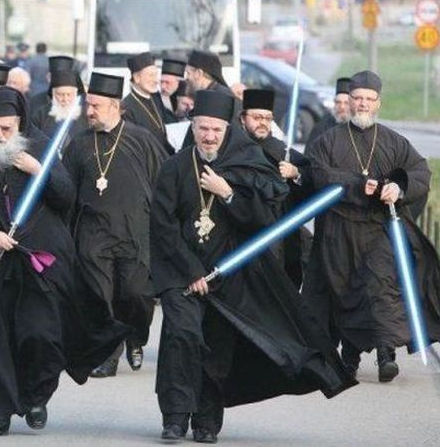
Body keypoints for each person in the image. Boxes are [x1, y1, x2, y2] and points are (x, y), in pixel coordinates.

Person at [151, 89, 356, 444]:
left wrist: (228, 193)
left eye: (216, 129)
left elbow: (263, 221)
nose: (209, 136)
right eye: (203, 128)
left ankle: (206, 421)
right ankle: (175, 417)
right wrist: (191, 271)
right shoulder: (174, 168)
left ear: (227, 129)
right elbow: (162, 225)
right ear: (193, 126)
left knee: (217, 348)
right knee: (181, 337)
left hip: (229, 277)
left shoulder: (246, 165)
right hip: (182, 275)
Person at [0, 86, 127, 437]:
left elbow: (66, 198)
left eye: (6, 128)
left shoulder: (41, 149)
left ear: (19, 123)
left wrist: (39, 171)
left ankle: (35, 397)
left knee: (41, 336)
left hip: (39, 265)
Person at [303, 70, 440, 382]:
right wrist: (355, 184)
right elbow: (319, 174)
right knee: (345, 293)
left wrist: (399, 187)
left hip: (379, 230)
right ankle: (349, 357)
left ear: (378, 103)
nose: (363, 104)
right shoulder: (328, 141)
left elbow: (420, 172)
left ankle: (385, 353)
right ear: (349, 101)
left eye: (369, 99)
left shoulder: (394, 141)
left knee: (380, 287)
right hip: (339, 233)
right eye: (357, 98)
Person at [63, 72, 167, 377]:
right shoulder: (79, 144)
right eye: (88, 105)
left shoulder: (142, 139)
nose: (89, 111)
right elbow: (66, 192)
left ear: (114, 106)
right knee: (100, 295)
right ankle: (108, 355)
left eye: (95, 105)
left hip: (135, 232)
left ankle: (135, 337)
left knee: (136, 294)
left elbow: (163, 184)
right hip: (93, 234)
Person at [239, 88, 312, 287]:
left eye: (267, 118)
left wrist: (295, 173)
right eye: (256, 117)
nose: (262, 122)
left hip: (279, 234)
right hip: (242, 230)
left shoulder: (281, 150)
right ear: (243, 119)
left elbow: (310, 176)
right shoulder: (233, 148)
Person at [180, 50, 240, 149]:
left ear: (198, 73)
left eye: (188, 73)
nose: (186, 78)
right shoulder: (209, 95)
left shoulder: (218, 98)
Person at [122, 52, 174, 156]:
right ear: (137, 77)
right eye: (151, 75)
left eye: (156, 75)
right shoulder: (126, 107)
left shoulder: (156, 98)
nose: (156, 80)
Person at [29, 67, 88, 150]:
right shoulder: (40, 115)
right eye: (60, 95)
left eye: (69, 95)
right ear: (53, 94)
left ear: (76, 95)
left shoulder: (87, 114)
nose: (65, 99)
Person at [304, 78, 351, 157]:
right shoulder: (321, 128)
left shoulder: (357, 127)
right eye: (338, 102)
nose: (342, 107)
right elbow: (309, 156)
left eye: (346, 103)